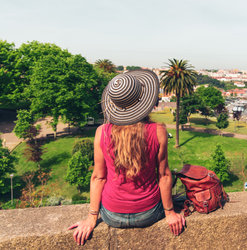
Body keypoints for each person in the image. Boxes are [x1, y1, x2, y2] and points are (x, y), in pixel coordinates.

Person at [68, 70, 185, 245]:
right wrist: (169, 213)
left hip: (111, 215)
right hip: (149, 213)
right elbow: (164, 175)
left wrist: (92, 218)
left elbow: (98, 177)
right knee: (181, 198)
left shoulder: (102, 132)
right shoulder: (158, 131)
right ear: (144, 100)